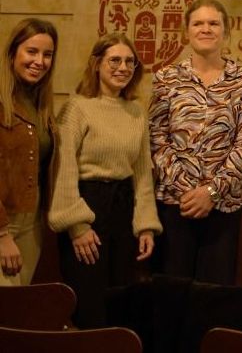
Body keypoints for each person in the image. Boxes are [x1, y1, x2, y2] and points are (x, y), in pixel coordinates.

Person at [49, 33, 161, 328]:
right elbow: (64, 169)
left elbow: (141, 173)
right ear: (97, 64)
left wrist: (146, 225)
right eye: (115, 60)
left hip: (123, 213)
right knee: (89, 306)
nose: (123, 67)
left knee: (120, 305)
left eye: (129, 62)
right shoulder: (77, 107)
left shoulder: (137, 111)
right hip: (88, 209)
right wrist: (77, 225)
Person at [148, 0, 242, 285]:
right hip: (175, 203)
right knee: (171, 293)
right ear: (186, 32)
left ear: (225, 32)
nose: (205, 29)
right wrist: (188, 191)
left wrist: (211, 192)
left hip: (223, 206)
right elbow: (157, 139)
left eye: (213, 23)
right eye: (198, 23)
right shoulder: (165, 79)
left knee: (214, 296)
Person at [0, 19, 57, 287]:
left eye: (47, 55)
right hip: (4, 223)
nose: (39, 61)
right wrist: (2, 234)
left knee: (18, 311)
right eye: (31, 51)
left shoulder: (41, 103)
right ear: (13, 53)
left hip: (33, 223)